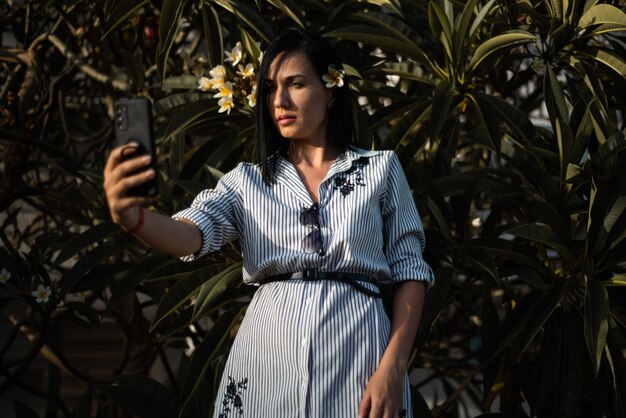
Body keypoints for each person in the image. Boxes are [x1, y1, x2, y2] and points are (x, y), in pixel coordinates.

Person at [103, 26, 434, 418]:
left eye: (295, 84)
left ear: (330, 91)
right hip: (266, 356)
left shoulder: (380, 169)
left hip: (360, 355)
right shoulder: (248, 181)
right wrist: (134, 219)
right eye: (270, 87)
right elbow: (191, 234)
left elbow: (410, 270)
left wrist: (393, 370)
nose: (279, 100)